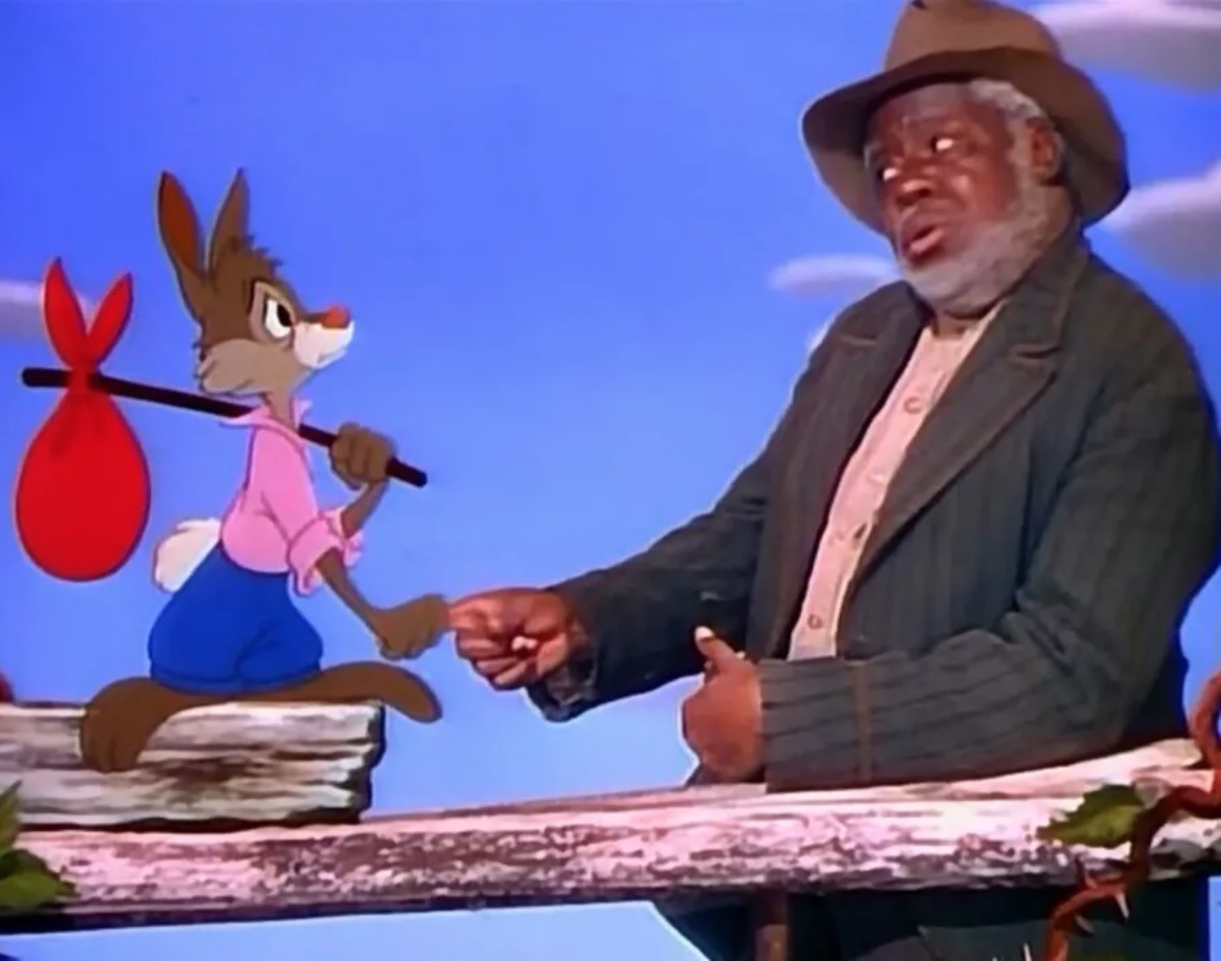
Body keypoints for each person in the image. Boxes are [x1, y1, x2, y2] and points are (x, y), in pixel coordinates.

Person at [401, 1, 1218, 958]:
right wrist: (585, 621)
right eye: (883, 166)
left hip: (1007, 921)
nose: (903, 180)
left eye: (938, 145)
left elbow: (1071, 674)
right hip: (802, 905)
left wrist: (786, 722)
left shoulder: (1129, 366)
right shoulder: (867, 338)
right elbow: (751, 540)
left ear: (1038, 150)